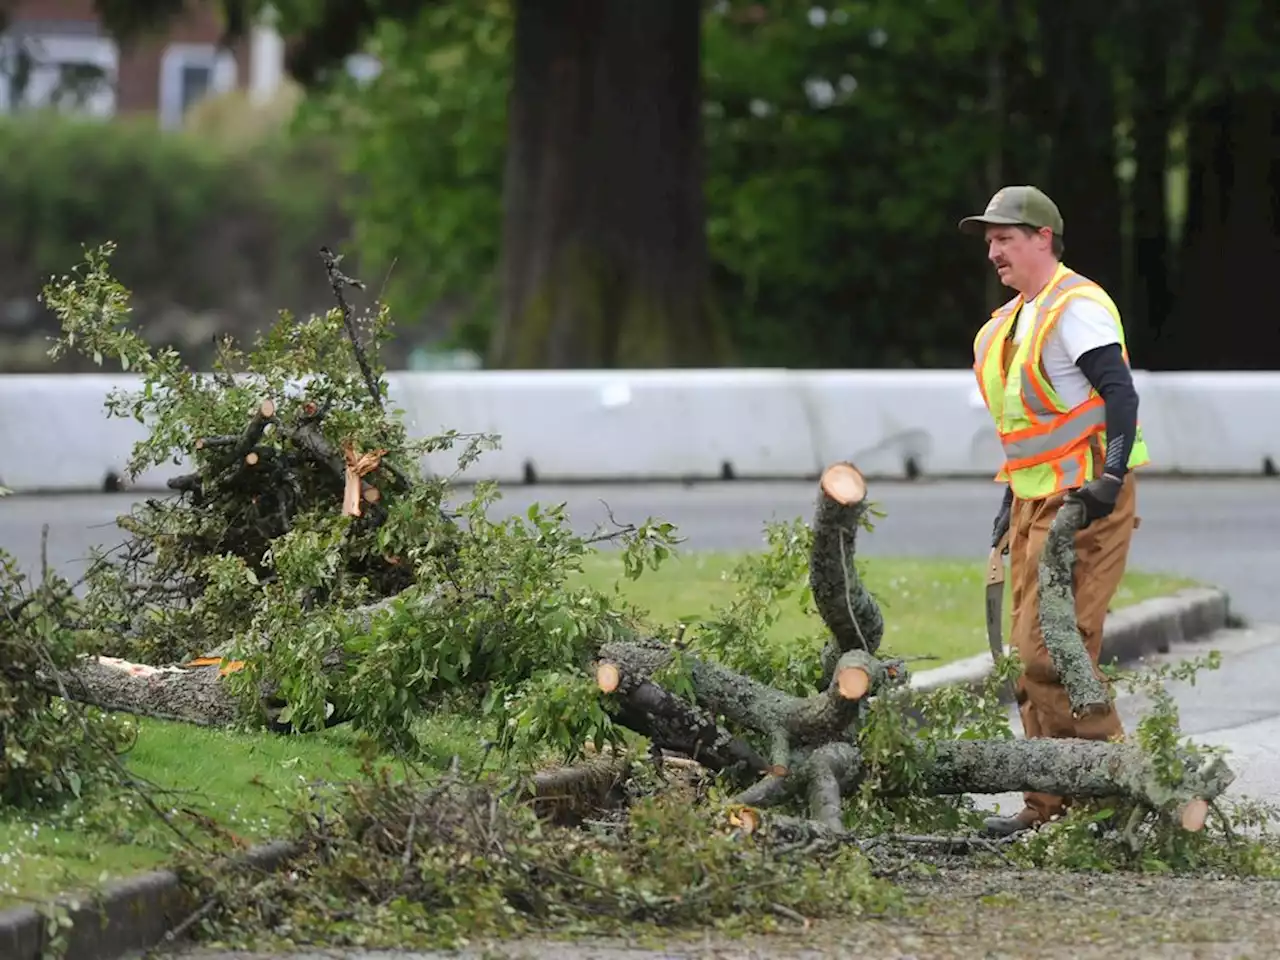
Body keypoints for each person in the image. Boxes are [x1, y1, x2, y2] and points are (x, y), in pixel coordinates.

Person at [958, 185, 1150, 837]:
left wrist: (1112, 476)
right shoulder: (1004, 326)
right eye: (989, 240)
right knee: (1024, 657)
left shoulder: (1077, 309)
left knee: (1052, 649)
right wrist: (1009, 500)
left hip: (1087, 502)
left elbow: (1120, 396)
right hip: (1034, 500)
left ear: (1044, 238)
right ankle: (1050, 807)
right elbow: (1030, 430)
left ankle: (1122, 794)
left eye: (1005, 238)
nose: (993, 251)